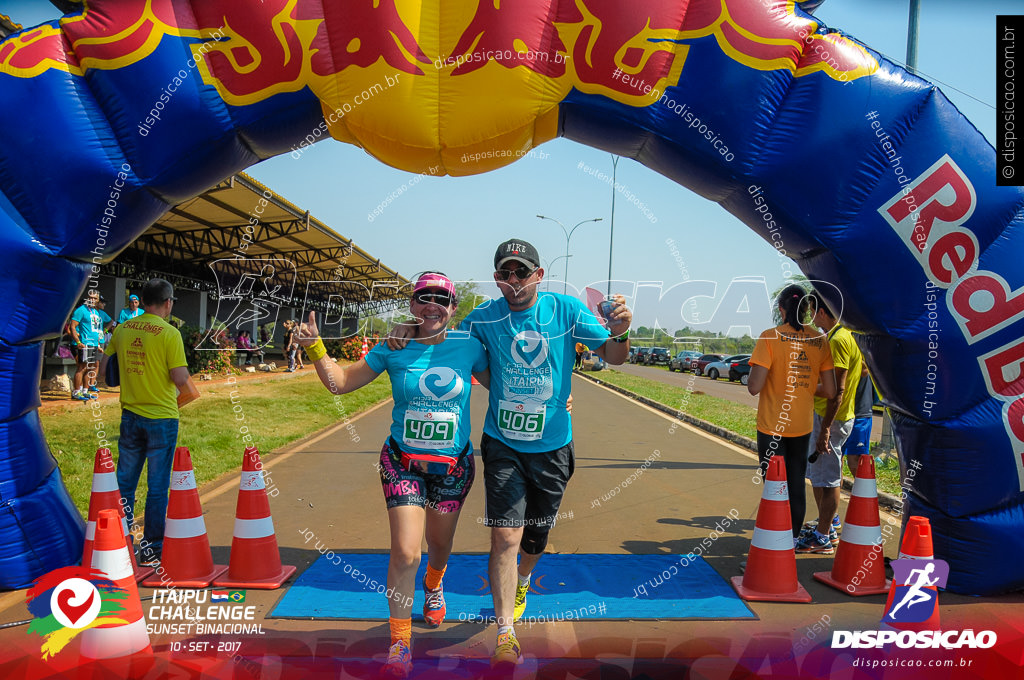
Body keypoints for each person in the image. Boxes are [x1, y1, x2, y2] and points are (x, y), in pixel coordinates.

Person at [390, 239, 632, 668]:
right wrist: (409, 329)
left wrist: (621, 330)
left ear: (539, 275)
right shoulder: (484, 316)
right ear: (497, 277)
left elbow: (614, 357)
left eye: (522, 271)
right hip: (501, 443)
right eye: (505, 272)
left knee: (535, 539)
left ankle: (523, 580)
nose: (514, 280)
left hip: (553, 447)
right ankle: (506, 633)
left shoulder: (566, 310)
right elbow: (442, 336)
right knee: (505, 536)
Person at [296, 272, 489, 679]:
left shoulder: (469, 346)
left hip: (453, 469)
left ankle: (435, 584)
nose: (432, 305)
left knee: (438, 547)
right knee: (406, 552)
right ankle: (400, 643)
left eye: (442, 299)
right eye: (423, 298)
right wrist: (314, 346)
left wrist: (559, 395)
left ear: (454, 309)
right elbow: (341, 383)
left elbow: (506, 385)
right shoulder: (394, 346)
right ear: (412, 305)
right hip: (402, 463)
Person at [99, 278, 199, 567]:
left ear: (142, 302)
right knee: (157, 486)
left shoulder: (122, 329)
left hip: (130, 415)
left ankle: (120, 546)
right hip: (162, 418)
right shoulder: (169, 334)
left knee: (125, 483)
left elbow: (106, 371)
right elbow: (181, 379)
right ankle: (152, 548)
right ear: (168, 303)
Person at [746, 284, 836, 547]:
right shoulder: (819, 341)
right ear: (808, 310)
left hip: (772, 426)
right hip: (802, 425)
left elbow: (754, 387)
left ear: (781, 309)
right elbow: (830, 390)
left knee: (775, 486)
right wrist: (804, 387)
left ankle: (774, 542)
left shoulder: (769, 337)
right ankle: (792, 540)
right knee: (796, 482)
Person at [797, 291, 863, 554]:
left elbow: (837, 390)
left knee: (829, 480)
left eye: (812, 311)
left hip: (831, 420)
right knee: (818, 477)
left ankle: (823, 537)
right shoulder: (838, 336)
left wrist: (824, 429)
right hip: (827, 418)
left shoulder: (838, 341)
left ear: (822, 312)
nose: (811, 317)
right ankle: (826, 526)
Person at [69, 289, 107, 401]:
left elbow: (94, 329)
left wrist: (98, 345)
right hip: (85, 343)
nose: (92, 300)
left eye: (95, 298)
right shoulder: (81, 310)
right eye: (90, 297)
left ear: (98, 300)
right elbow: (72, 326)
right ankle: (76, 392)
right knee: (81, 367)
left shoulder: (96, 312)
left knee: (89, 368)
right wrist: (78, 342)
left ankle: (85, 391)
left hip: (94, 344)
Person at [842, 364, 874, 477]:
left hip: (860, 415)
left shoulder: (864, 351)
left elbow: (864, 370)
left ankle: (865, 492)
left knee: (856, 460)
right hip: (840, 414)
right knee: (835, 462)